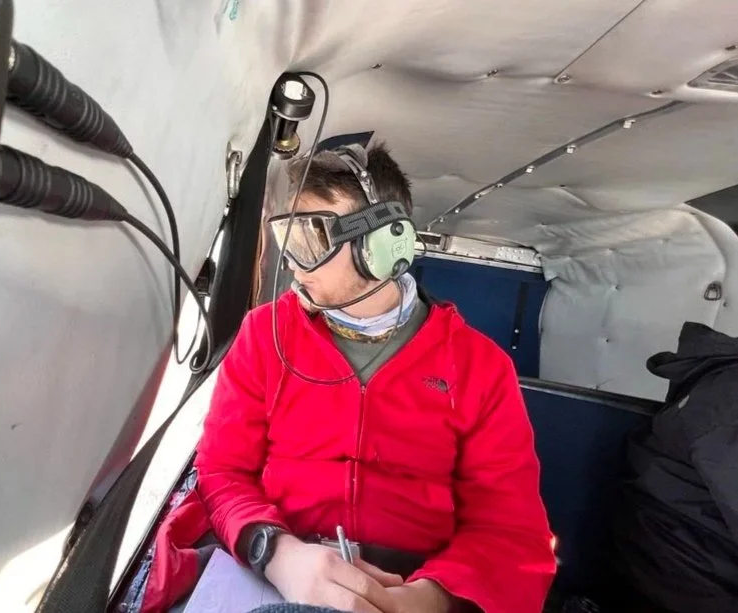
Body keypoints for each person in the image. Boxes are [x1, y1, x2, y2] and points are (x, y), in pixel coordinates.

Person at [192, 143, 556, 613]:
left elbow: (511, 528)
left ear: (385, 244)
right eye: (288, 241)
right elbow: (221, 470)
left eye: (312, 239)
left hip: (413, 582)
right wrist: (276, 553)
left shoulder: (480, 366)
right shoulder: (265, 335)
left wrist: (432, 598)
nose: (293, 264)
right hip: (281, 570)